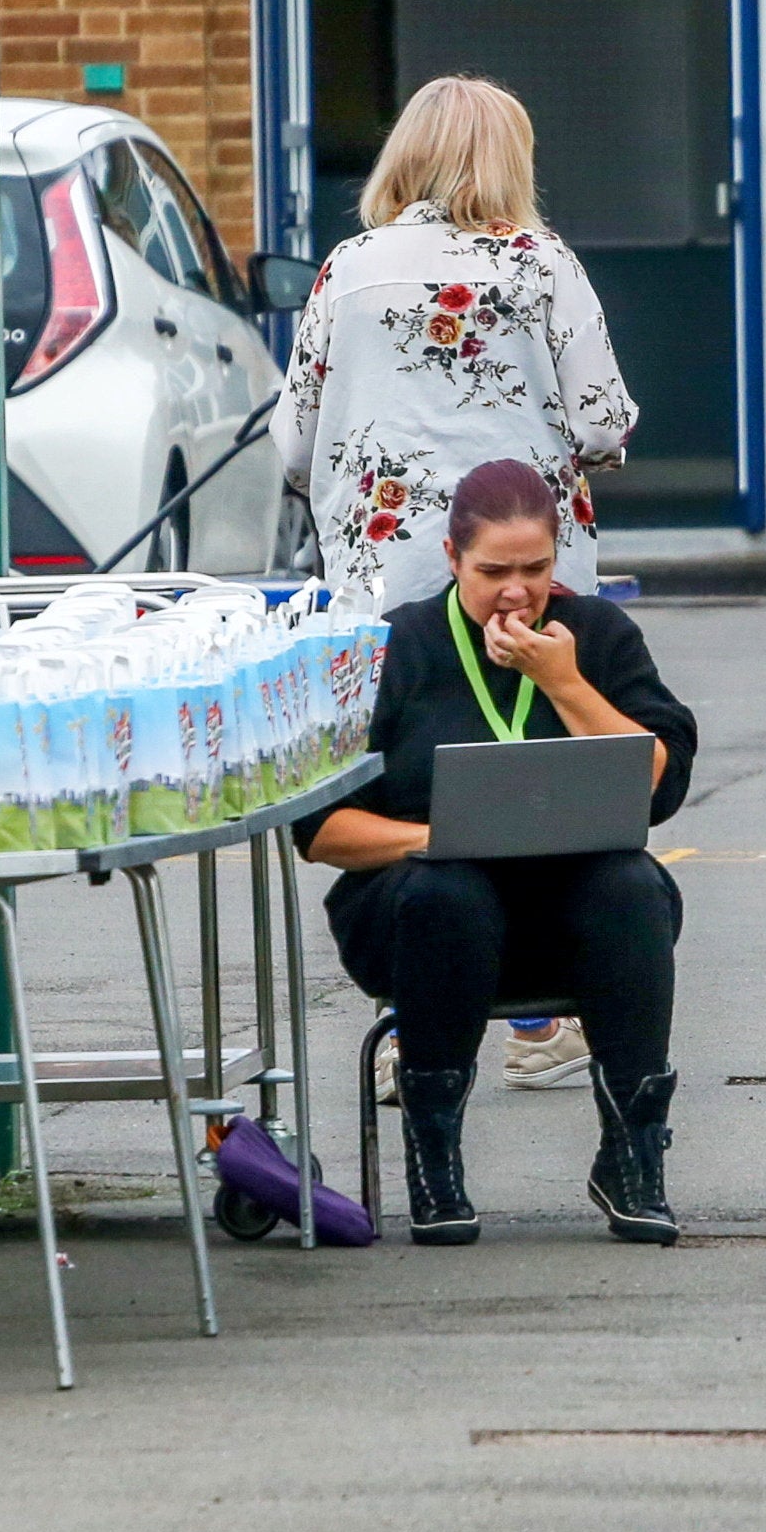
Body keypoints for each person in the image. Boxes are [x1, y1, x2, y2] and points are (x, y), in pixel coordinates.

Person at [280, 73, 639, 1096]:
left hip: (384, 578)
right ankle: (535, 1014)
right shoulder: (541, 265)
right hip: (522, 572)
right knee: (531, 777)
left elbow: (295, 443)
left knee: (405, 784)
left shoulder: (345, 271)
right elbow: (606, 419)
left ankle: (412, 1016)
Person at [298, 460, 697, 1247]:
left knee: (631, 883)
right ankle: (434, 1158)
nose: (516, 592)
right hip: (424, 915)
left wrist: (566, 683)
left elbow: (657, 778)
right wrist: (438, 839)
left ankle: (632, 1155)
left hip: (568, 912)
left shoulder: (598, 636)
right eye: (492, 572)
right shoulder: (400, 645)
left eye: (536, 569)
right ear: (451, 559)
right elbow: (319, 830)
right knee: (450, 892)